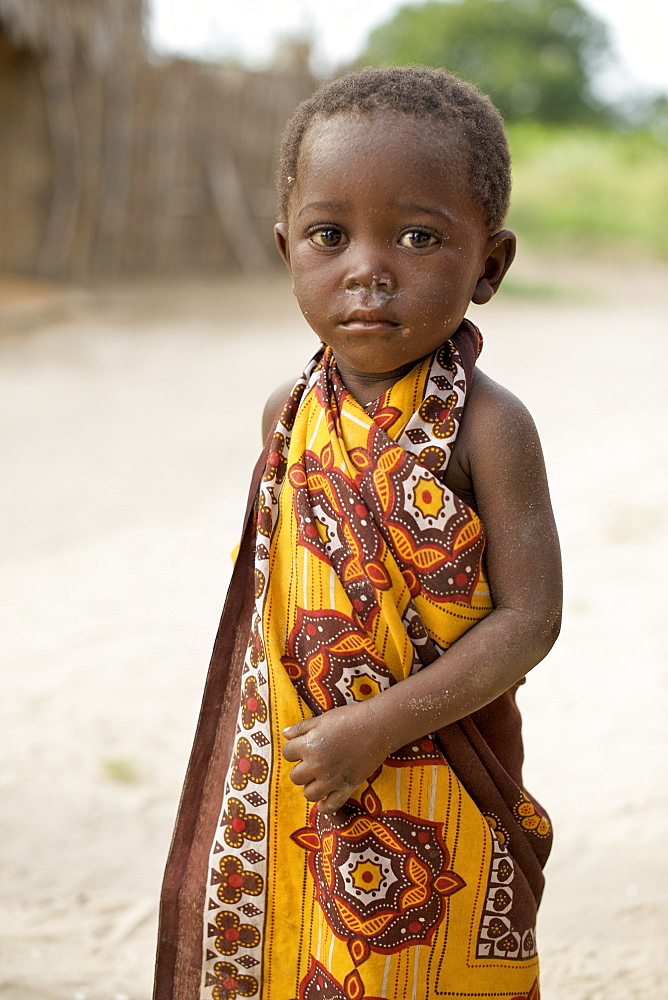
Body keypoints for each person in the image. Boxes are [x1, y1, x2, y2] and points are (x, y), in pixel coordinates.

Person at [153, 66, 562, 1000]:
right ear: (286, 249)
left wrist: (376, 728)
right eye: (329, 236)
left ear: (489, 265)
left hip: (442, 765)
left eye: (419, 237)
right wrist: (328, 739)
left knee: (430, 963)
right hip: (303, 770)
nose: (368, 267)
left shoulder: (490, 429)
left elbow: (531, 620)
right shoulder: (287, 416)